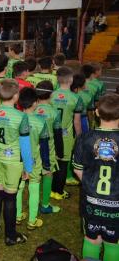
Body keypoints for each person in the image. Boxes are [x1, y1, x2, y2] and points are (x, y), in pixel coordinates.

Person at [73, 93, 119, 261]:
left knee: (92, 238)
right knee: (113, 242)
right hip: (116, 203)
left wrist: (91, 183)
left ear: (97, 112)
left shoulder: (84, 138)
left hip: (92, 200)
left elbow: (78, 170)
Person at [0, 79, 33, 246]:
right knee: (10, 197)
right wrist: (28, 167)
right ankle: (11, 235)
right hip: (13, 160)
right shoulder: (21, 117)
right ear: (16, 96)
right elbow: (25, 144)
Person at [16, 88, 50, 230]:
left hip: (17, 159)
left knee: (18, 186)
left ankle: (17, 215)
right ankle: (32, 220)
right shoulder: (41, 122)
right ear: (35, 103)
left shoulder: (15, 118)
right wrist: (47, 165)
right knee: (34, 187)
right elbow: (44, 146)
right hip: (34, 159)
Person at [50, 66, 83, 200]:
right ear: (71, 80)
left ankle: (51, 189)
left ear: (58, 79)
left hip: (51, 133)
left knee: (53, 161)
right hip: (66, 135)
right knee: (63, 164)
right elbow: (76, 121)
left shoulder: (51, 95)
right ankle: (58, 191)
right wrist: (80, 136)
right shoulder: (76, 98)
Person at [35, 81, 64, 214]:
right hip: (49, 148)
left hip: (33, 147)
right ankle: (45, 205)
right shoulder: (54, 112)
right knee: (48, 173)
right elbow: (58, 134)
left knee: (32, 175)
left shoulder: (31, 109)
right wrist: (60, 152)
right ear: (51, 94)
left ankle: (32, 201)